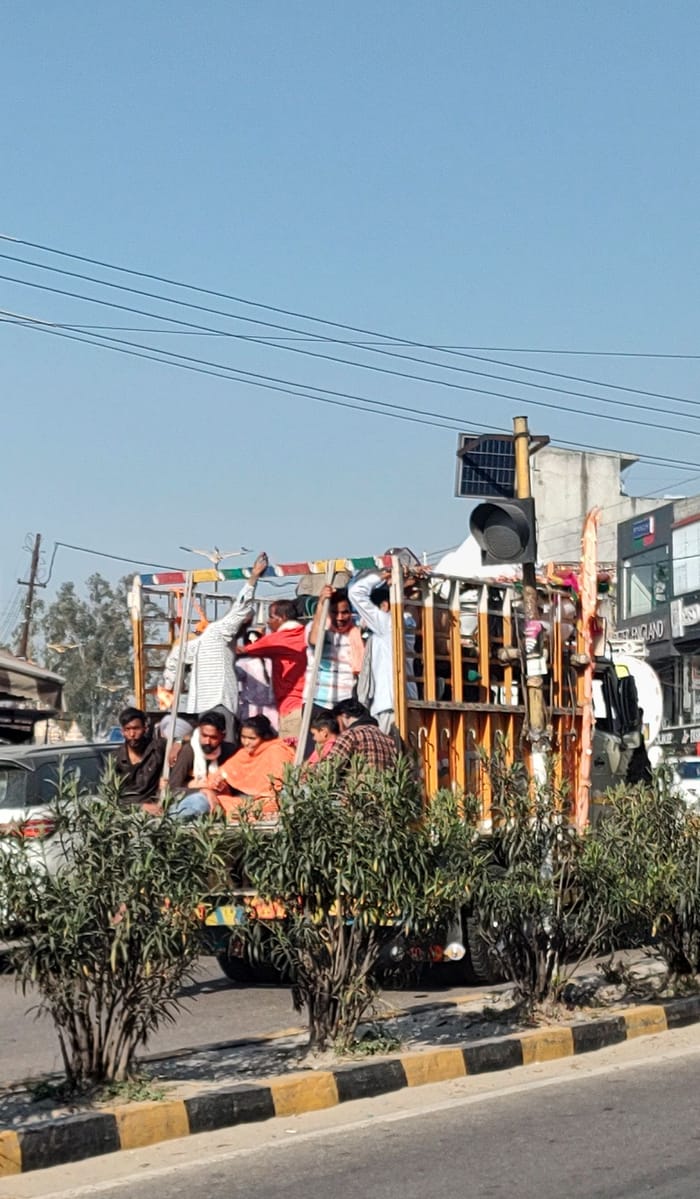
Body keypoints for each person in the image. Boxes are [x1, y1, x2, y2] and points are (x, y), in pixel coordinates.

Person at [161, 552, 269, 741]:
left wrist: (168, 685)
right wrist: (253, 578)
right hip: (220, 703)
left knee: (207, 748)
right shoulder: (219, 632)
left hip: (200, 705)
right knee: (223, 747)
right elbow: (240, 610)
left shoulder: (197, 644)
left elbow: (174, 658)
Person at [173, 715, 294, 820]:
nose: (246, 742)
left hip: (266, 806)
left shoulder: (277, 752)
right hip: (239, 803)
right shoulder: (244, 753)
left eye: (252, 738)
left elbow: (279, 791)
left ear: (264, 737)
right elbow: (225, 773)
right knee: (200, 800)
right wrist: (216, 784)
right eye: (243, 737)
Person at [349, 564, 421, 734]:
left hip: (389, 703)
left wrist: (383, 575)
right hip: (410, 699)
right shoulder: (408, 621)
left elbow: (356, 592)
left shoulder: (385, 623)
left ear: (384, 606)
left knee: (392, 755)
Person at [236, 599, 307, 740]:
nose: (268, 622)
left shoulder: (277, 639)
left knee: (289, 755)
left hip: (291, 707)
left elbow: (240, 651)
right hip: (311, 705)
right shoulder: (307, 634)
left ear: (282, 618)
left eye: (271, 617)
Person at [305, 587, 364, 712]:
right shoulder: (318, 627)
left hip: (346, 703)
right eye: (335, 612)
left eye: (345, 612)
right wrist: (321, 604)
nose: (340, 618)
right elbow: (315, 641)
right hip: (317, 702)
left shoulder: (357, 630)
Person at [167, 709, 237, 792]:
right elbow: (173, 788)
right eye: (204, 736)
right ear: (199, 731)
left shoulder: (229, 751)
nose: (207, 742)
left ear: (223, 736)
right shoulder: (189, 751)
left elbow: (237, 785)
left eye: (213, 737)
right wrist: (203, 790)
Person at [328, 698, 398, 772]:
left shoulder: (350, 735)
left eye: (336, 721)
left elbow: (329, 768)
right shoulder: (388, 739)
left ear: (345, 715)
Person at [114, 707, 166, 805]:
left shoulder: (157, 748)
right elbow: (112, 795)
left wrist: (177, 745)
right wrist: (141, 807)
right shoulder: (115, 758)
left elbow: (184, 737)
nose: (132, 734)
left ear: (145, 729)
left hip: (155, 806)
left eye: (136, 728)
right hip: (126, 810)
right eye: (127, 729)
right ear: (122, 732)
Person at [235, 625, 279, 729]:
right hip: (252, 707)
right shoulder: (243, 663)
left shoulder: (271, 662)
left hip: (271, 707)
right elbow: (236, 675)